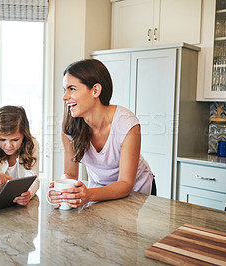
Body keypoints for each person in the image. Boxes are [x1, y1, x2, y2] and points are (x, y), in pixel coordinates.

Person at [48, 59, 154, 209]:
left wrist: (89, 195)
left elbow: (125, 183)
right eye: (65, 89)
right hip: (98, 190)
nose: (65, 97)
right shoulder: (69, 126)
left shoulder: (127, 124)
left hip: (136, 192)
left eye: (72, 89)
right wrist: (63, 190)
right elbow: (69, 174)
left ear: (95, 90)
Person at [0, 105, 40, 212]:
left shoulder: (32, 145)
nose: (9, 145)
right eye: (2, 139)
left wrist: (29, 193)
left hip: (20, 209)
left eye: (15, 139)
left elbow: (34, 179)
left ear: (24, 135)